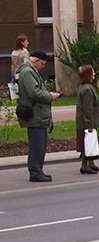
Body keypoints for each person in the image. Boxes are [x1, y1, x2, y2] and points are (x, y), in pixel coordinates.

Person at [16, 51, 60, 182]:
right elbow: (33, 92)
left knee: (40, 144)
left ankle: (37, 170)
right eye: (43, 64)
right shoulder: (28, 72)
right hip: (35, 115)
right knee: (37, 145)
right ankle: (35, 172)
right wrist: (49, 96)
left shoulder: (30, 71)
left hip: (38, 114)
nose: (43, 67)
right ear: (35, 61)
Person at [75, 64, 99, 174]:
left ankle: (91, 163)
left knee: (90, 142)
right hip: (86, 122)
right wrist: (89, 124)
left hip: (87, 121)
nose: (94, 73)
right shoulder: (87, 89)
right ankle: (84, 165)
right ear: (88, 74)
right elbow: (88, 108)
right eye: (92, 71)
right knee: (87, 143)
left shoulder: (86, 87)